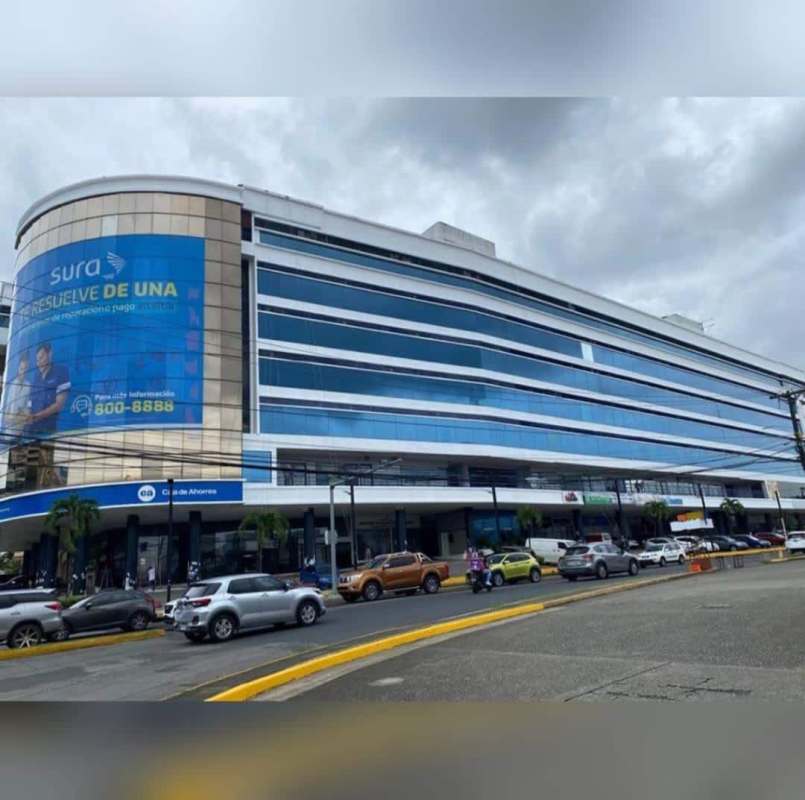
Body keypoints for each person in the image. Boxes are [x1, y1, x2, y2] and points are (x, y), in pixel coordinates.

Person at [26, 342, 71, 436]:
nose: (39, 362)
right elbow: (30, 403)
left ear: (49, 354)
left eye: (41, 357)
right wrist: (28, 415)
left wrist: (37, 416)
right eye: (37, 360)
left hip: (49, 430)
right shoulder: (36, 378)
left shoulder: (60, 372)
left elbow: (59, 404)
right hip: (31, 431)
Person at [4, 352, 31, 436]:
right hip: (9, 433)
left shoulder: (28, 385)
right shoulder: (12, 386)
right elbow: (5, 415)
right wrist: (19, 417)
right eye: (22, 368)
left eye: (26, 369)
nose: (23, 372)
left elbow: (28, 412)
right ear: (18, 368)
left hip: (21, 433)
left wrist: (22, 415)